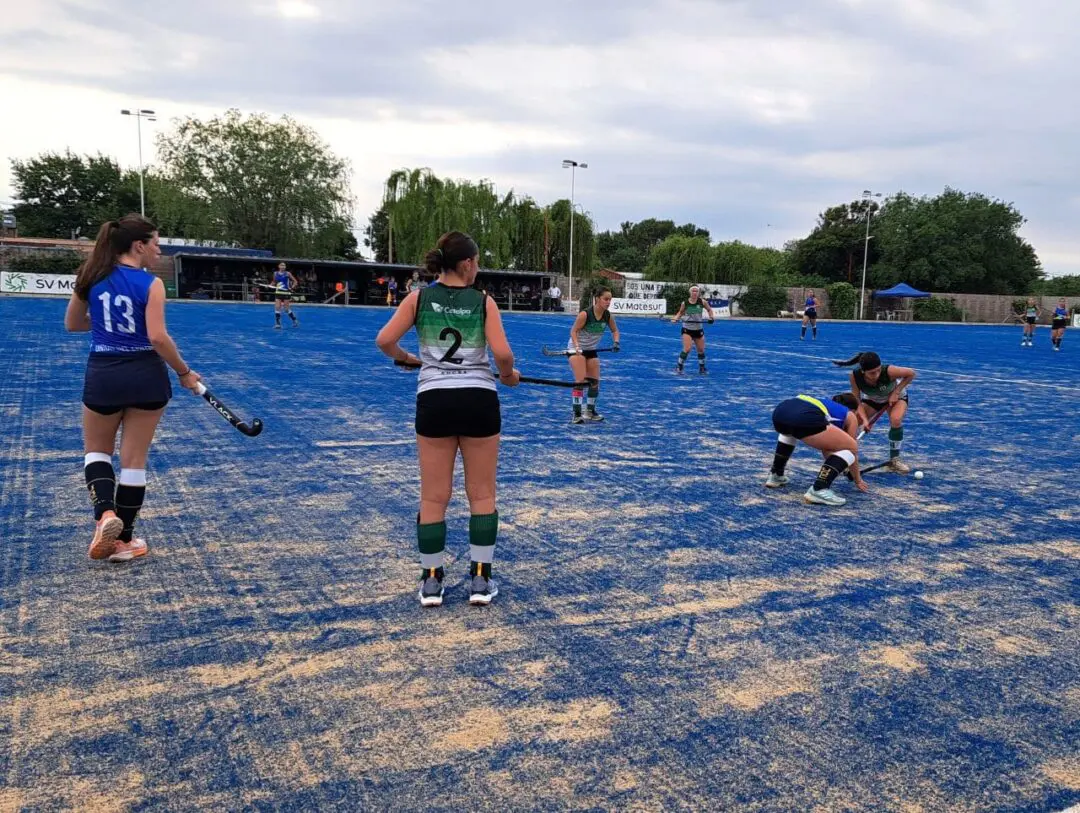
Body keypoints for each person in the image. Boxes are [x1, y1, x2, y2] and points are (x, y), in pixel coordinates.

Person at [375, 231, 520, 607]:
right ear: (468, 263)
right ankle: (480, 580)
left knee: (434, 496)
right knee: (483, 494)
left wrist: (410, 359)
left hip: (434, 400)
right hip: (478, 400)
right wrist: (507, 376)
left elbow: (384, 341)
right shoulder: (483, 302)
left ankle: (432, 581)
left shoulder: (417, 298)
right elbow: (502, 354)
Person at [64, 214, 201, 562]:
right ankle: (123, 542)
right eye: (155, 242)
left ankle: (105, 515)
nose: (159, 249)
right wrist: (184, 372)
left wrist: (108, 326)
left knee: (96, 452)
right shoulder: (151, 284)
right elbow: (156, 337)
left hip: (104, 375)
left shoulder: (90, 277)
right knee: (134, 461)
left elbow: (73, 324)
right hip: (146, 377)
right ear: (138, 245)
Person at [765, 392, 868, 506]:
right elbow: (851, 449)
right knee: (851, 447)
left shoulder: (825, 405)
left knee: (790, 432)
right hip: (803, 418)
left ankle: (776, 475)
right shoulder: (850, 415)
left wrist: (840, 465)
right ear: (853, 410)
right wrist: (857, 479)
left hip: (780, 413)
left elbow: (828, 449)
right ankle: (819, 489)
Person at [834, 351, 917, 473]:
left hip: (896, 397)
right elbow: (856, 400)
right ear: (863, 371)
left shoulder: (889, 371)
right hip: (873, 399)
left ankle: (894, 460)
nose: (877, 374)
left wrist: (896, 392)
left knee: (896, 419)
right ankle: (845, 458)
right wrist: (866, 421)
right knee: (854, 420)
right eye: (872, 372)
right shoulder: (854, 376)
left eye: (878, 370)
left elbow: (911, 373)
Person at [567, 286, 621, 424]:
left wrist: (616, 342)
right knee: (580, 381)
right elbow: (573, 331)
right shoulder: (585, 314)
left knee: (594, 383)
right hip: (576, 349)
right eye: (606, 299)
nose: (608, 302)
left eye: (610, 299)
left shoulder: (608, 316)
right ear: (597, 299)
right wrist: (577, 346)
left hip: (591, 350)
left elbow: (615, 331)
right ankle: (576, 414)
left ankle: (589, 412)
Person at [671, 285, 714, 374]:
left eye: (696, 291)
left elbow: (709, 310)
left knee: (701, 350)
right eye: (693, 291)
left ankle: (702, 368)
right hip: (687, 329)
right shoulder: (685, 303)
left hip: (698, 329)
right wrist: (676, 318)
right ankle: (679, 366)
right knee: (687, 349)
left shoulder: (702, 302)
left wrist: (711, 317)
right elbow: (680, 312)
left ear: (698, 293)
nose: (694, 293)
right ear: (690, 292)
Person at [273, 262, 300, 329]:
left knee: (286, 309)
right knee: (277, 307)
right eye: (282, 265)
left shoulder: (288, 273)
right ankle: (278, 324)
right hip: (278, 292)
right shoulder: (275, 273)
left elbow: (295, 282)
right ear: (279, 266)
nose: (283, 266)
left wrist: (292, 288)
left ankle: (294, 320)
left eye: (284, 265)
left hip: (286, 292)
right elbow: (274, 281)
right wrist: (270, 285)